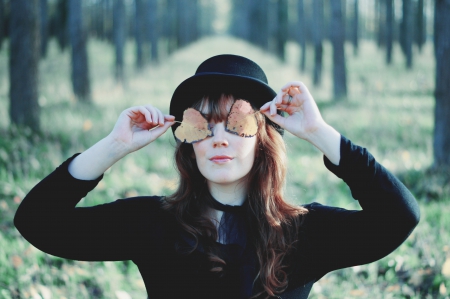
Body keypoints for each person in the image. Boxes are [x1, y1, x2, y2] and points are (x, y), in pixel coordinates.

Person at [14, 55, 420, 299]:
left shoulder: (302, 233)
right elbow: (37, 222)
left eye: (237, 123)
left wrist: (318, 132)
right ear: (187, 140)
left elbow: (400, 217)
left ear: (262, 140)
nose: (218, 138)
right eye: (201, 124)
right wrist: (113, 146)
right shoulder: (154, 224)